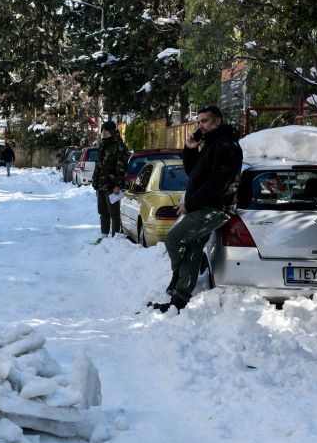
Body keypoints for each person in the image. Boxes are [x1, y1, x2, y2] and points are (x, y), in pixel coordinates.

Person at [152, 106, 243, 312]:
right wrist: (190, 148)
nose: (200, 125)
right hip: (203, 205)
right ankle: (180, 299)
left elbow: (218, 183)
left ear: (217, 121)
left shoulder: (227, 145)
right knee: (192, 248)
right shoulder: (210, 143)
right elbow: (193, 173)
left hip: (216, 208)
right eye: (199, 121)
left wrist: (190, 204)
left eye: (204, 121)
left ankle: (179, 275)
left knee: (173, 239)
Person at [92, 121, 130, 237]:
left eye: (106, 131)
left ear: (112, 132)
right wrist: (96, 181)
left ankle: (116, 237)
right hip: (101, 185)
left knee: (113, 212)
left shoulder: (119, 146)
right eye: (102, 131)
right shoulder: (103, 145)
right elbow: (98, 166)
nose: (103, 133)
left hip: (112, 186)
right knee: (103, 212)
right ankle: (104, 236)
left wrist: (118, 185)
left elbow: (121, 167)